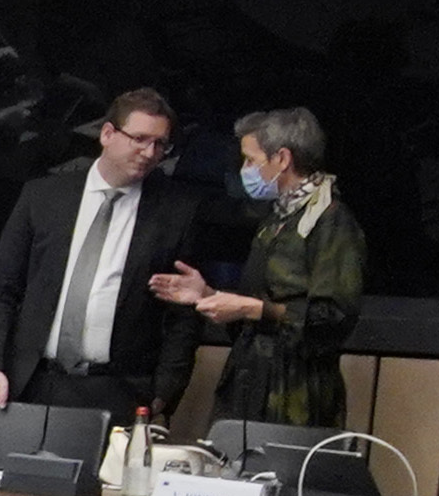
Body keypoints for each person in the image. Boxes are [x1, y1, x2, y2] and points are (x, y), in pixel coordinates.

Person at [0, 89, 207, 426]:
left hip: (119, 389)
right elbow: (0, 290)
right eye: (139, 139)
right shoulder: (43, 197)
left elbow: (182, 317)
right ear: (107, 134)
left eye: (160, 144)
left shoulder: (175, 212)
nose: (149, 152)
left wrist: (163, 394)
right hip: (29, 381)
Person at [152, 106, 366, 434]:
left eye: (251, 160)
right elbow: (254, 303)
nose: (245, 170)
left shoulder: (331, 221)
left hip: (296, 395)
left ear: (282, 159)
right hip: (247, 381)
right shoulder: (276, 219)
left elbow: (332, 317)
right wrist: (209, 295)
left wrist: (253, 309)